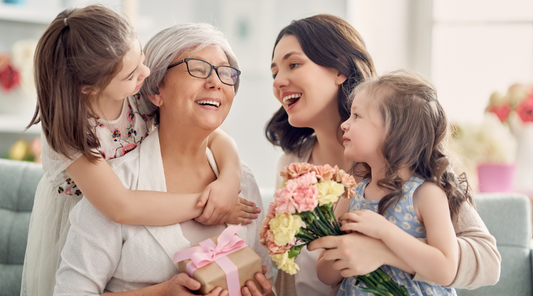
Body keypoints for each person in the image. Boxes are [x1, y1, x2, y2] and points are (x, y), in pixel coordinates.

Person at [22, 5, 259, 296]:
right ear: (88, 87)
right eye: (132, 74)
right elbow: (121, 205)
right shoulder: (72, 133)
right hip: (93, 200)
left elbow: (215, 136)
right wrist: (206, 205)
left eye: (143, 61)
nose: (144, 74)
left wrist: (228, 181)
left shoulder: (132, 94)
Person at [266, 14, 500, 296]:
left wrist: (382, 250)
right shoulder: (292, 165)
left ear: (339, 69)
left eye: (293, 64)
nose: (279, 81)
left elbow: (488, 261)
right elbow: (299, 274)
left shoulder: (405, 167)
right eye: (274, 72)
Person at [315, 70, 467, 295]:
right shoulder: (353, 194)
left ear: (396, 132)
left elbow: (446, 269)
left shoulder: (426, 194)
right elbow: (325, 275)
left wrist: (383, 231)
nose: (344, 125)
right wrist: (334, 243)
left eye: (357, 116)